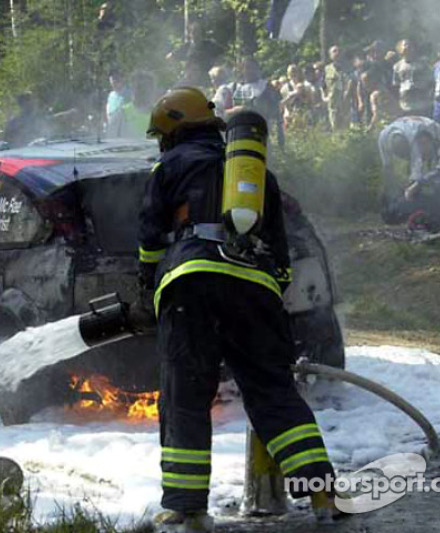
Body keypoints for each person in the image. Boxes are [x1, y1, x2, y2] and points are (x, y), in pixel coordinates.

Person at [138, 87, 336, 532]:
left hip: (190, 285)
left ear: (172, 131)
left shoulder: (169, 166)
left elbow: (151, 239)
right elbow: (282, 252)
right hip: (256, 288)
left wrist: (150, 288)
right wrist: (266, 296)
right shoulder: (256, 174)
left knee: (186, 394)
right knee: (272, 391)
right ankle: (323, 492)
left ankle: (187, 509)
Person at [379, 116, 440, 230]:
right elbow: (414, 179)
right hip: (433, 195)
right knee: (395, 210)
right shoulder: (420, 160)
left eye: (425, 143)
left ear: (432, 142)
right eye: (420, 144)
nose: (422, 148)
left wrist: (417, 185)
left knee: (439, 184)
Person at [226, 58, 284, 147]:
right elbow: (226, 112)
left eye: (253, 68)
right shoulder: (236, 88)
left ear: (258, 69)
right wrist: (236, 110)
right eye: (247, 68)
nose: (250, 71)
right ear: (242, 70)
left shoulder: (266, 87)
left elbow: (277, 110)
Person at [392, 40, 434, 119]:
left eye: (410, 46)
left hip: (422, 104)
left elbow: (431, 81)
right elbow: (396, 85)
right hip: (405, 105)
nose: (407, 47)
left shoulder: (423, 63)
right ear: (400, 49)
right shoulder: (397, 66)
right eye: (405, 45)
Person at [323, 45, 352, 131]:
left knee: (346, 124)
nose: (337, 53)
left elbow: (351, 82)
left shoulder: (348, 67)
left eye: (338, 51)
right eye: (334, 51)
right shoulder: (327, 69)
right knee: (334, 125)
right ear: (330, 55)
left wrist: (348, 93)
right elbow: (323, 85)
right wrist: (324, 97)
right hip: (333, 101)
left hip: (346, 101)